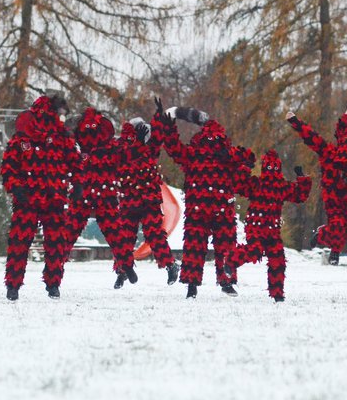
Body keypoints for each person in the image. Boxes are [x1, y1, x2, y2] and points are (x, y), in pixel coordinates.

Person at [154, 99, 253, 298]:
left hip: (207, 209)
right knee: (208, 246)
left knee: (199, 246)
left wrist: (167, 124)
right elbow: (249, 158)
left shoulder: (203, 155)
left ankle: (200, 284)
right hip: (213, 209)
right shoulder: (217, 155)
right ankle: (214, 283)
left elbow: (174, 148)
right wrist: (167, 123)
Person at [0, 95, 81, 301]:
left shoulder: (62, 137)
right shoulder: (24, 135)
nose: (63, 118)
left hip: (54, 198)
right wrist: (16, 188)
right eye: (61, 114)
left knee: (56, 243)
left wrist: (79, 185)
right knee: (19, 243)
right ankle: (13, 285)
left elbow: (76, 163)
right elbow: (8, 167)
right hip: (27, 199)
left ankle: (53, 284)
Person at [63, 108, 137, 288]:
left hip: (98, 192)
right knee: (112, 231)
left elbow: (126, 155)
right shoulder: (79, 147)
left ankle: (53, 278)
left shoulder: (101, 147)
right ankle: (126, 265)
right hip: (92, 191)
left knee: (111, 231)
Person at [225, 150, 311, 301]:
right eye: (269, 168)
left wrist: (301, 178)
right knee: (255, 250)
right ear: (265, 168)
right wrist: (245, 167)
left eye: (274, 168)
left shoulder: (280, 187)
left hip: (272, 230)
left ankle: (277, 294)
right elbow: (239, 185)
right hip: (256, 226)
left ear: (278, 169)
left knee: (277, 258)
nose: (271, 171)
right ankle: (231, 262)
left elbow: (299, 195)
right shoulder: (257, 184)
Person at [285, 99, 347, 265]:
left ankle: (326, 238)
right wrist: (295, 121)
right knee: (338, 224)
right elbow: (312, 137)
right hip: (333, 195)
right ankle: (333, 249)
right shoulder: (329, 153)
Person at [115, 118, 180, 286]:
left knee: (154, 234)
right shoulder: (123, 148)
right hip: (129, 200)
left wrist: (160, 119)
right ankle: (122, 271)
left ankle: (170, 265)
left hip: (148, 200)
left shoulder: (150, 149)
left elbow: (157, 143)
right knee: (125, 237)